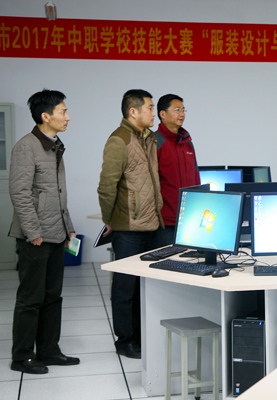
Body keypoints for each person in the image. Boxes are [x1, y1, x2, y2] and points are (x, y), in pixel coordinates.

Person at [8, 89, 79, 374]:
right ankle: (22, 356)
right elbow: (20, 193)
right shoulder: (26, 147)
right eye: (63, 112)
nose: (68, 117)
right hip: (35, 238)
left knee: (53, 297)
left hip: (56, 233)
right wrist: (33, 232)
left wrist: (68, 228)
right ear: (45, 116)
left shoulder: (54, 145)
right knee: (30, 299)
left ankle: (49, 351)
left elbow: (56, 193)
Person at [97, 89, 165, 359]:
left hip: (151, 224)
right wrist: (109, 219)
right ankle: (125, 341)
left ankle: (141, 336)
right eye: (150, 107)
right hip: (128, 227)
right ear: (133, 111)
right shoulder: (119, 139)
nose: (153, 113)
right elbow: (107, 186)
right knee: (125, 288)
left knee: (144, 287)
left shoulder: (149, 138)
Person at [155, 94, 200, 242]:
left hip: (189, 219)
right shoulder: (154, 142)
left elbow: (196, 177)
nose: (181, 114)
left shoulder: (187, 142)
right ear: (162, 114)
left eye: (183, 110)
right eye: (177, 109)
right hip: (165, 222)